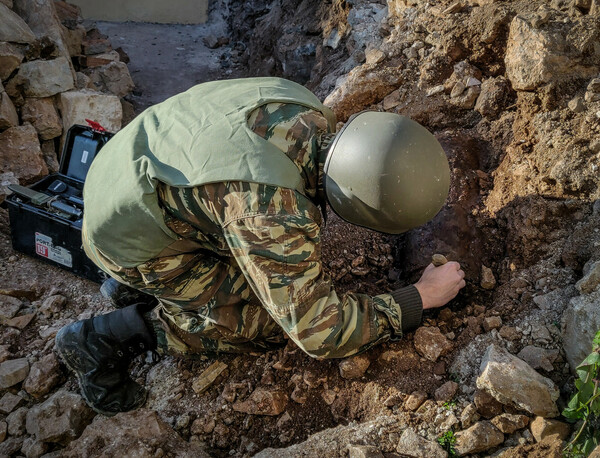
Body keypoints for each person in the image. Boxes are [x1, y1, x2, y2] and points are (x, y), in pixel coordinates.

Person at [55, 77, 466, 416]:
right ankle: (105, 337)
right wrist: (420, 298)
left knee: (252, 257)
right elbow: (319, 331)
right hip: (122, 236)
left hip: (126, 171)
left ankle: (148, 284)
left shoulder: (306, 108)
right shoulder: (272, 212)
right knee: (264, 324)